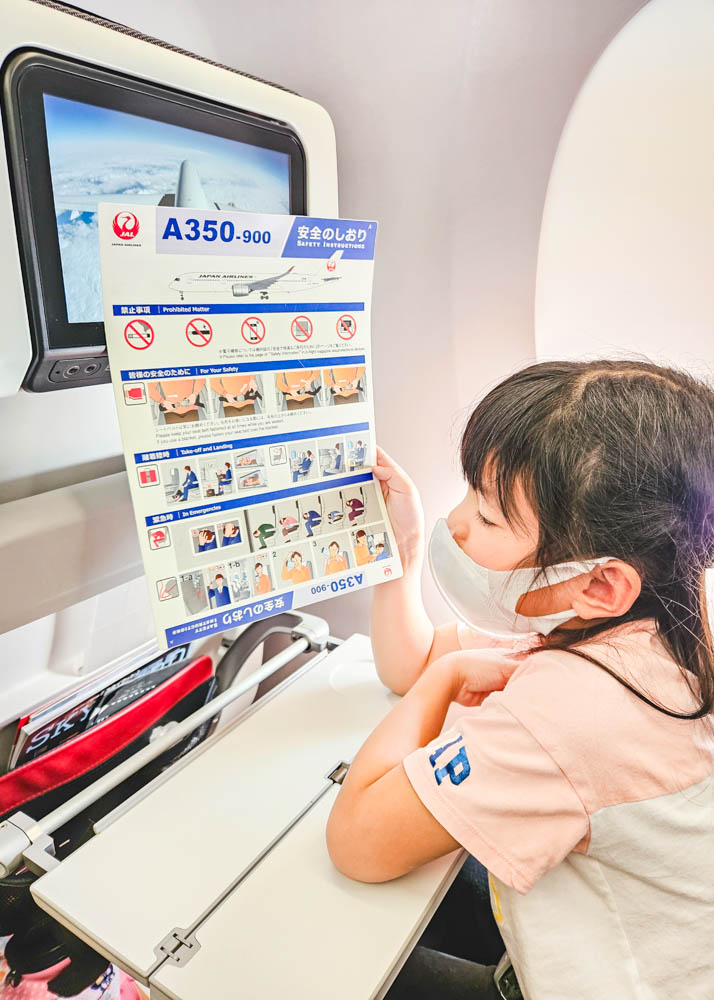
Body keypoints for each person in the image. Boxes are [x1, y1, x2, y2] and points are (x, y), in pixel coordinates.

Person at [326, 360, 714, 1000]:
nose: (458, 523)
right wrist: (406, 553)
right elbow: (410, 661)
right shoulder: (657, 617)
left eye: (488, 515)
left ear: (600, 581)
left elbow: (358, 842)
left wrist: (440, 684)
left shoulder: (579, 708)